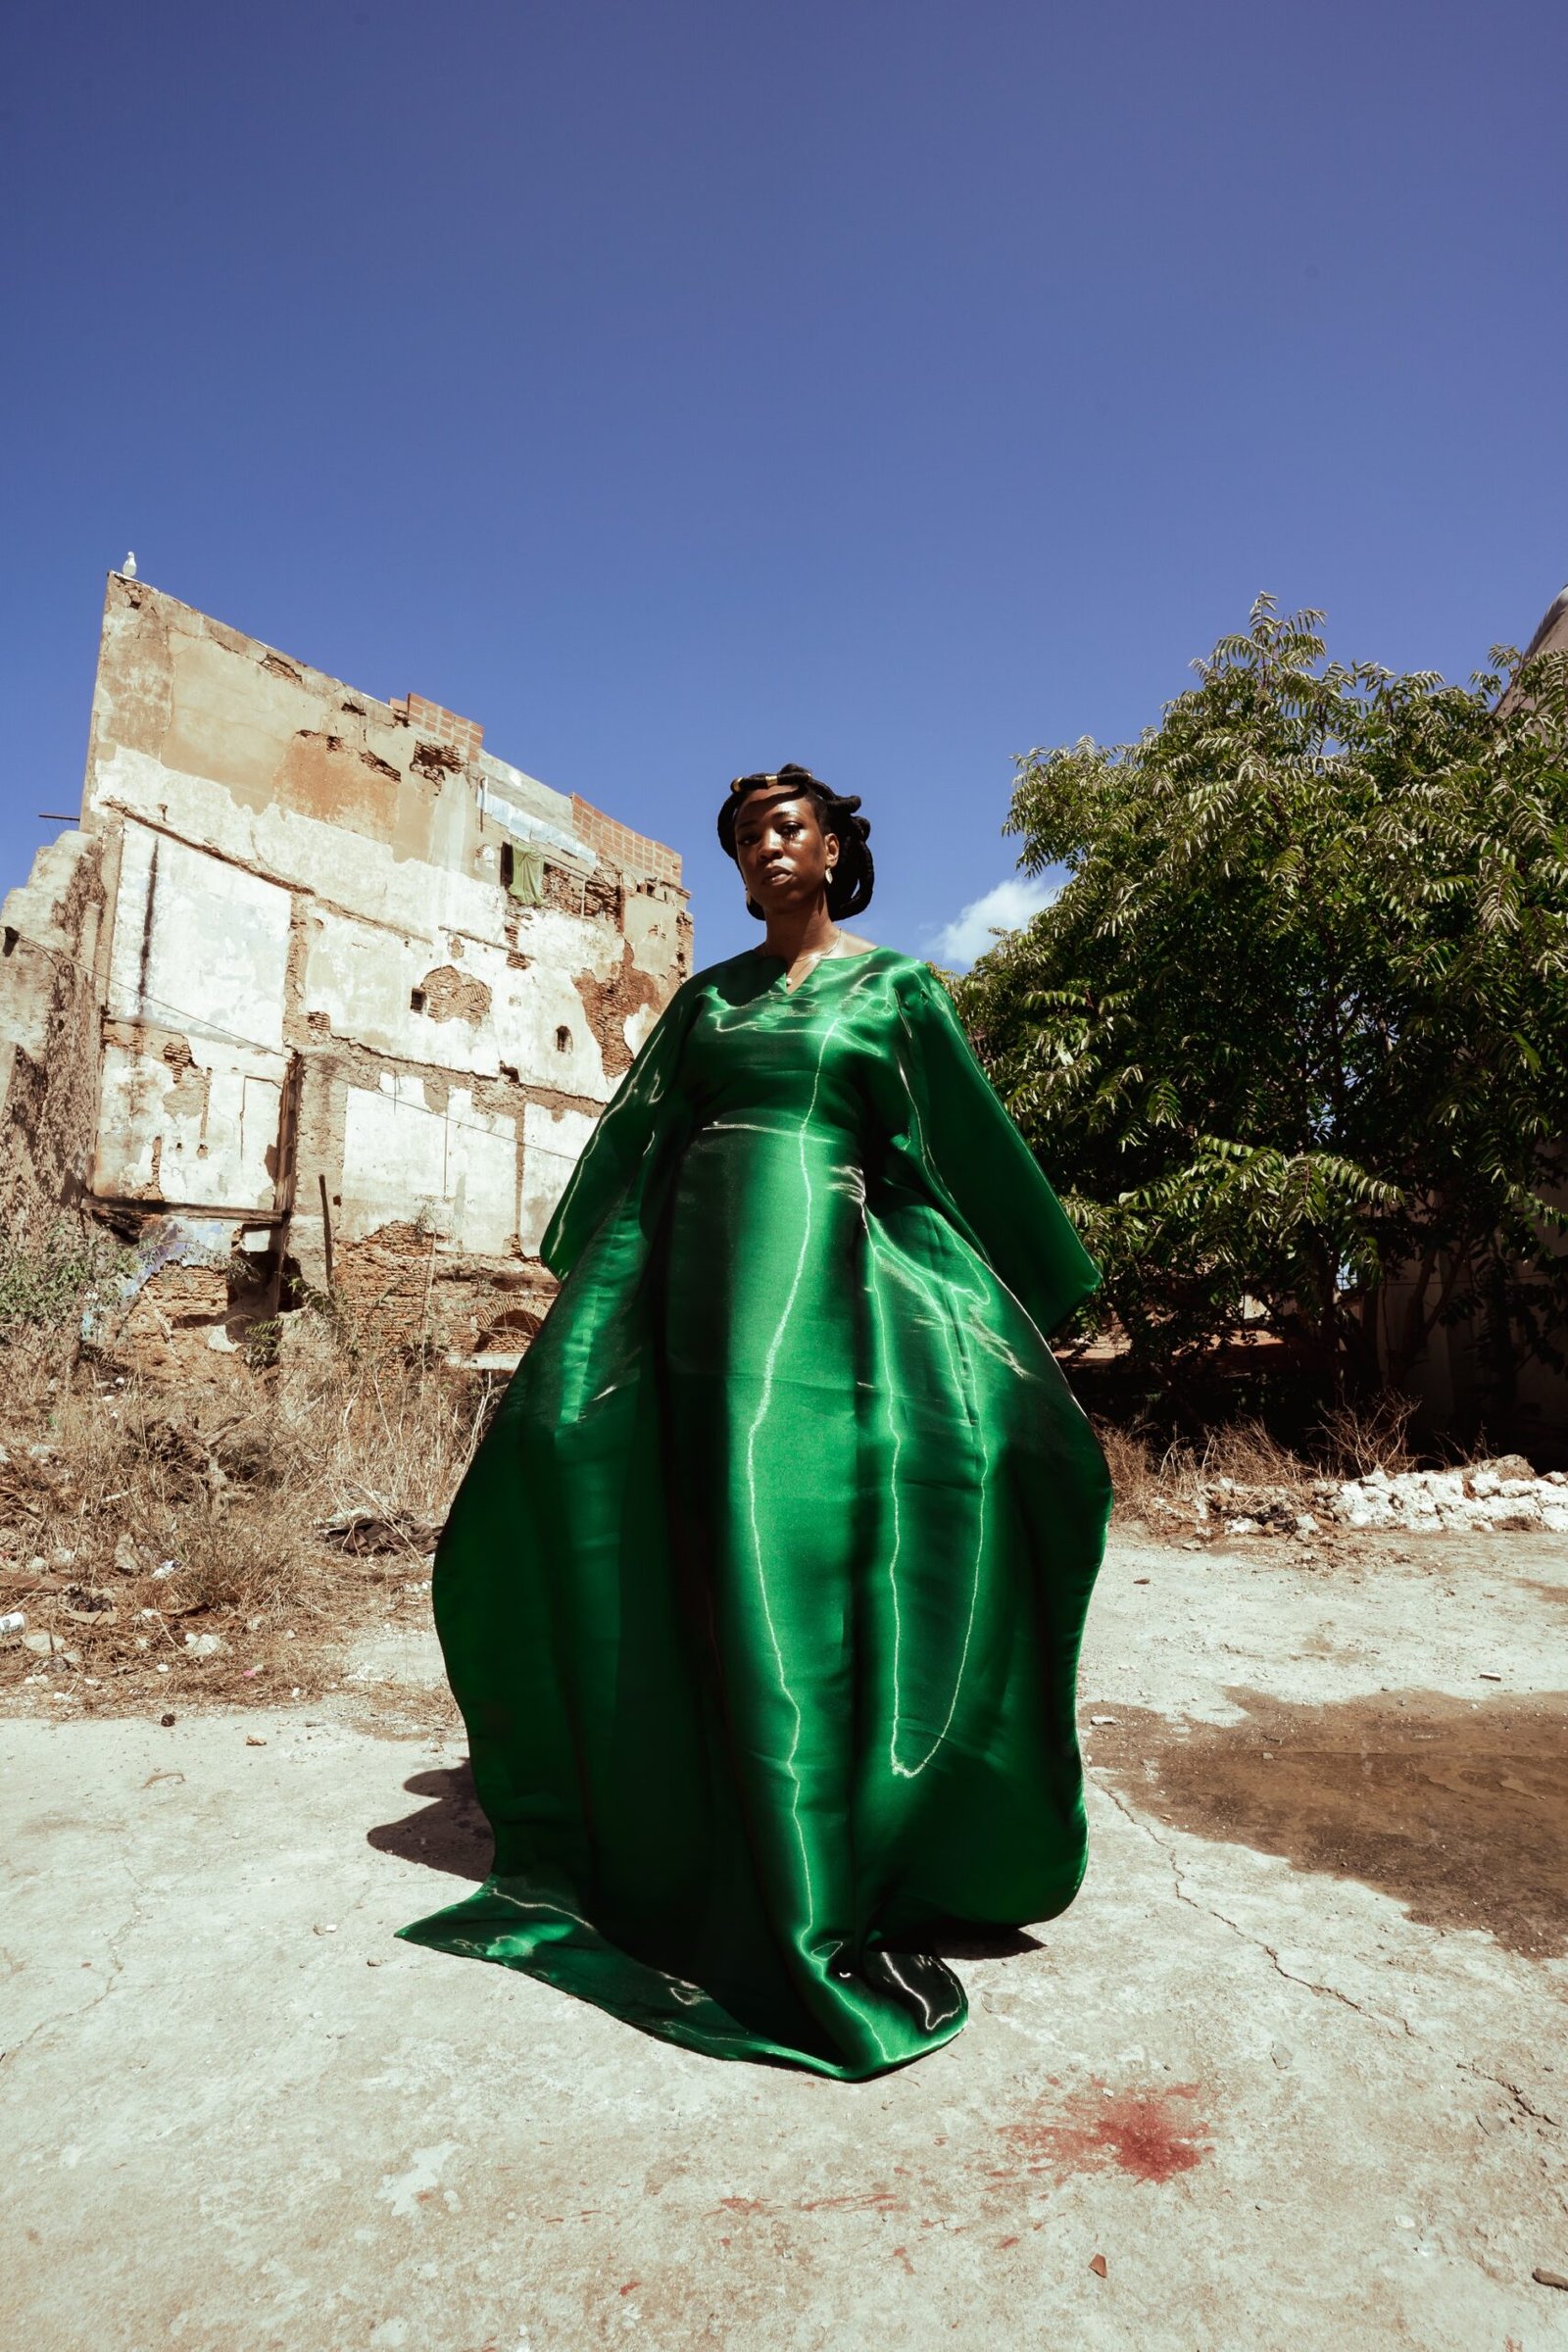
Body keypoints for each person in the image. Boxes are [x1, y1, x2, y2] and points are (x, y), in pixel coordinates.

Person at [401, 765, 1112, 2079]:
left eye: (787, 827)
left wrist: (1012, 1303)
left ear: (835, 849)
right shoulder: (708, 999)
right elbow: (641, 1142)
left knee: (784, 1547)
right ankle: (692, 1828)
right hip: (692, 1286)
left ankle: (828, 1852)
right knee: (652, 1520)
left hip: (822, 1299)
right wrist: (595, 1302)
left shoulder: (898, 992)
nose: (765, 848)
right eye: (744, 836)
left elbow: (957, 1150)